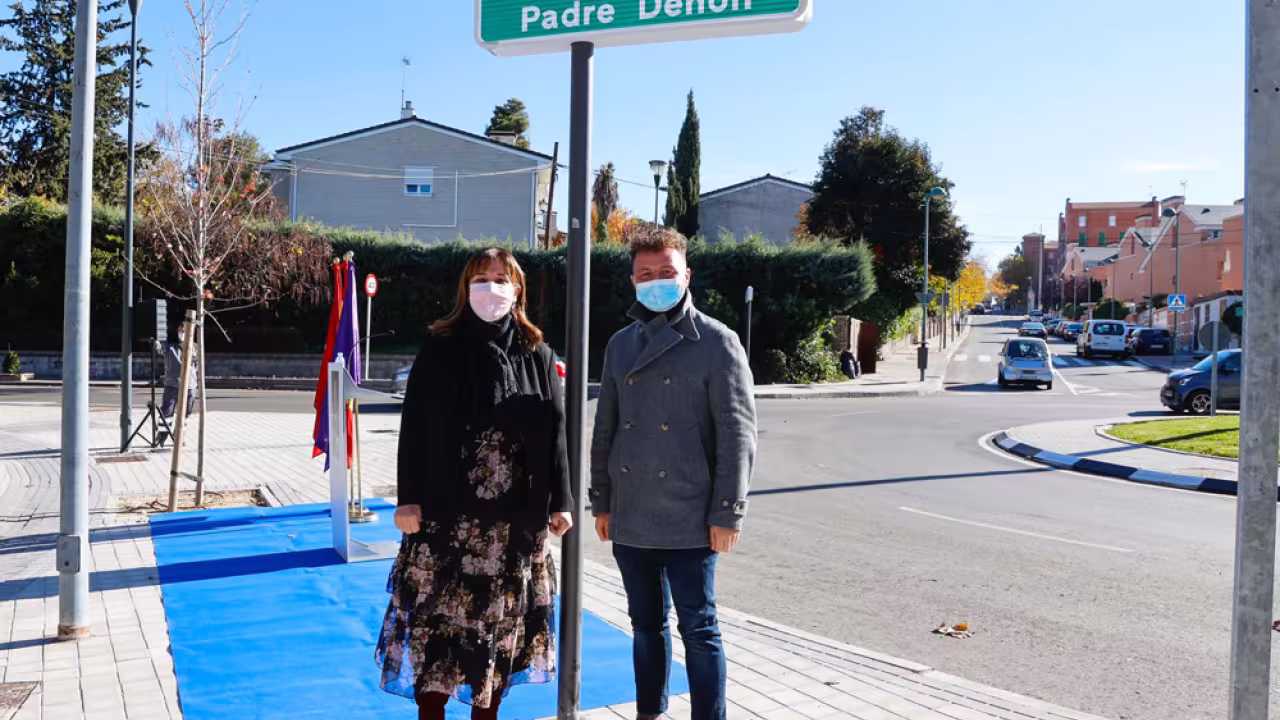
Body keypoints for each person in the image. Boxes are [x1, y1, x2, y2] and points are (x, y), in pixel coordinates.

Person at [377, 247, 574, 720]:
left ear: (518, 289)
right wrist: (408, 499)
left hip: (513, 528)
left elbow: (556, 433)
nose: (492, 287)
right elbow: (415, 428)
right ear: (465, 289)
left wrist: (561, 501)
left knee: (497, 641)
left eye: (501, 278)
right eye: (481, 278)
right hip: (447, 525)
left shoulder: (538, 354)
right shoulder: (440, 348)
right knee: (436, 639)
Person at [589, 227, 758, 720]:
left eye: (666, 272)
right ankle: (649, 711)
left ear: (686, 275)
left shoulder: (717, 341)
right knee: (644, 624)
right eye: (646, 275)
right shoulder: (621, 344)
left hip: (692, 515)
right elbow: (606, 428)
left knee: (699, 628)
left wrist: (728, 512)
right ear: (632, 281)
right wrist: (602, 500)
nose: (656, 281)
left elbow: (737, 435)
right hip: (633, 513)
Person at [155, 325, 196, 421]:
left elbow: (197, 365)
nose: (183, 331)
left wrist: (194, 380)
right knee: (167, 413)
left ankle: (179, 433)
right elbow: (158, 349)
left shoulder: (195, 347)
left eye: (185, 329)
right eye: (181, 329)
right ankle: (162, 434)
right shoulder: (169, 347)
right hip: (172, 385)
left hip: (190, 385)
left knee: (187, 412)